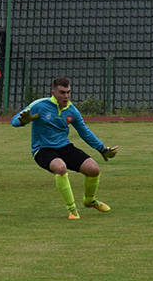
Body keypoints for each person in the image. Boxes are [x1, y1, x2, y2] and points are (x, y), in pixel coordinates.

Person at [11, 77, 118, 220]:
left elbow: (85, 132)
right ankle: (72, 209)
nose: (66, 96)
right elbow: (14, 121)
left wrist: (102, 149)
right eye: (62, 92)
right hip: (42, 149)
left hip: (64, 147)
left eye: (68, 92)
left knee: (93, 169)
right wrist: (22, 122)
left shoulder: (72, 110)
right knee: (60, 168)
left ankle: (89, 200)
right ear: (53, 92)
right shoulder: (40, 105)